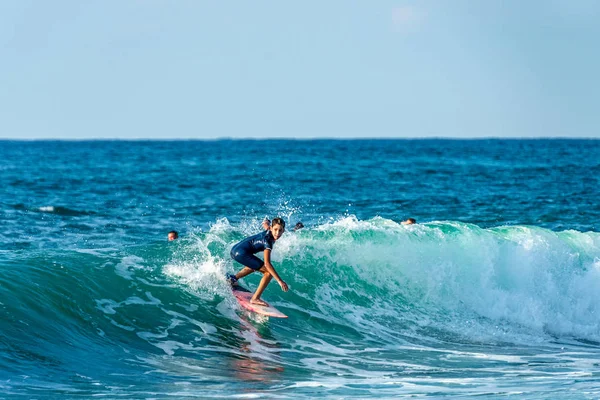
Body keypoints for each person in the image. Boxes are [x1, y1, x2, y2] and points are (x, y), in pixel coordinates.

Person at [228, 217, 289, 306]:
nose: (277, 233)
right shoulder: (268, 242)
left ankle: (232, 279)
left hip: (235, 249)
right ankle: (255, 298)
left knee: (255, 265)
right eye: (275, 229)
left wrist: (266, 222)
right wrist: (280, 281)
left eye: (280, 230)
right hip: (241, 253)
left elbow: (266, 225)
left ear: (283, 231)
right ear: (271, 228)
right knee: (268, 273)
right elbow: (267, 264)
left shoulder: (269, 230)